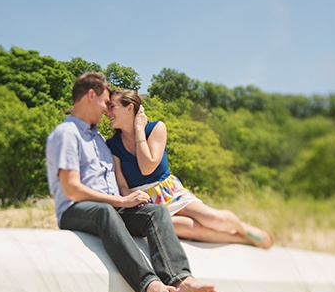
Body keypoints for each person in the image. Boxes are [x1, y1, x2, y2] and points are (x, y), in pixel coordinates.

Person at [45, 73, 216, 292]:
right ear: (91, 96)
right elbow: (71, 188)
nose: (107, 110)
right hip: (76, 210)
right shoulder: (67, 133)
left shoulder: (99, 140)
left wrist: (127, 199)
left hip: (111, 208)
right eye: (106, 102)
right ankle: (149, 284)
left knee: (156, 212)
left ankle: (179, 279)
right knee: (104, 211)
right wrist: (121, 202)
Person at [106, 89, 273, 248]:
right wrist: (132, 198)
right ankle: (239, 239)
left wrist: (139, 129)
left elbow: (146, 167)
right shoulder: (113, 144)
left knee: (213, 218)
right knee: (192, 229)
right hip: (144, 202)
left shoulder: (156, 128)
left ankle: (244, 229)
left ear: (130, 108)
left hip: (168, 191)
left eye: (112, 106)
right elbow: (122, 185)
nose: (107, 112)